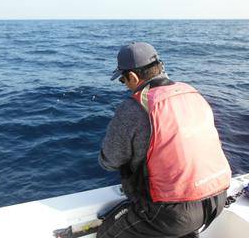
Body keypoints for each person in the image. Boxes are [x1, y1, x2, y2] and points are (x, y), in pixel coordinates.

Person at [97, 42, 232, 238]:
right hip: (216, 200)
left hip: (172, 214)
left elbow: (109, 162)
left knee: (106, 234)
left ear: (133, 77)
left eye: (123, 80)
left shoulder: (132, 108)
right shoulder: (192, 93)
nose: (125, 85)